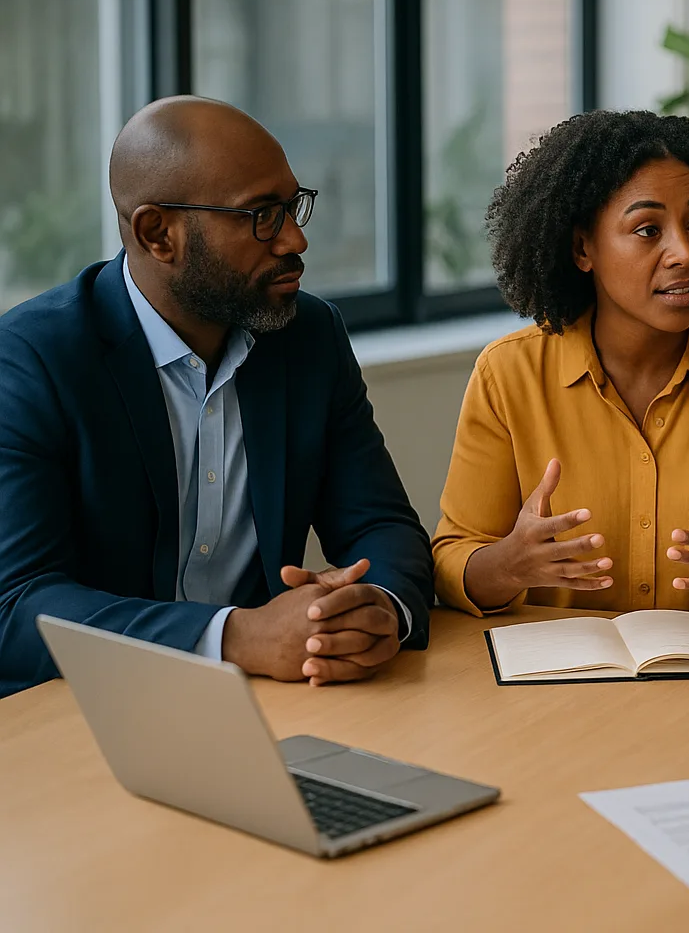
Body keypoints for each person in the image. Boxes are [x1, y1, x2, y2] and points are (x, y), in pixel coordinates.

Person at [0, 96, 433, 699]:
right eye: (260, 216)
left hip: (267, 700)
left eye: (292, 206)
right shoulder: (32, 359)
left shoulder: (308, 336)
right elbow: (17, 606)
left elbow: (380, 524)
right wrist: (234, 637)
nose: (294, 239)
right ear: (158, 234)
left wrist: (378, 609)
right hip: (87, 713)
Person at [431, 110, 689, 620]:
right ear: (582, 248)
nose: (684, 252)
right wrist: (510, 564)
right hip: (554, 684)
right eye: (647, 229)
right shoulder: (508, 375)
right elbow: (451, 560)